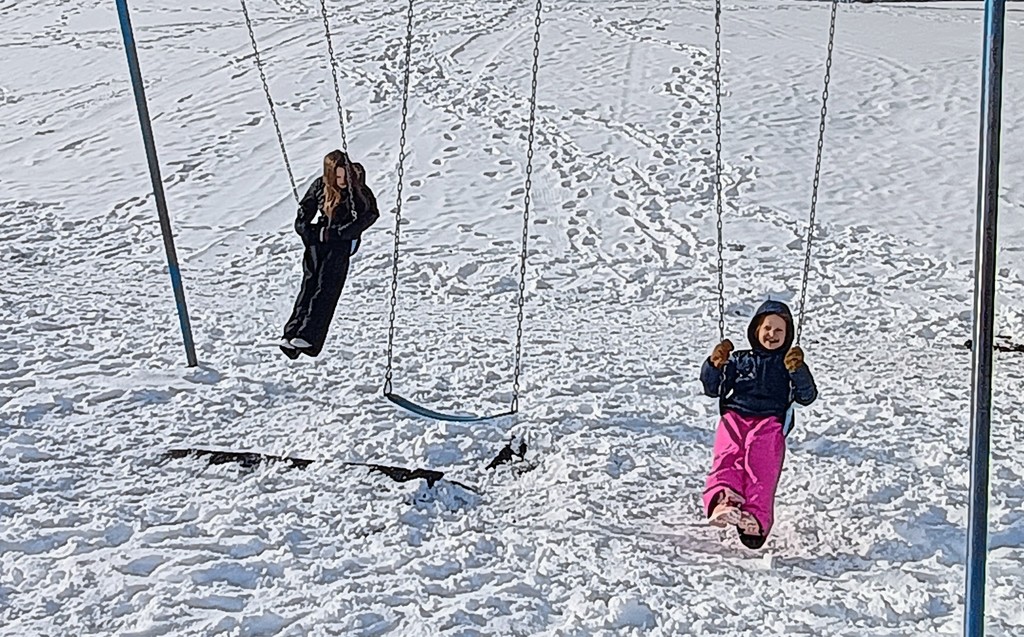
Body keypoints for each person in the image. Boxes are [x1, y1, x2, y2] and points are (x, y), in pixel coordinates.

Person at [699, 300, 818, 549]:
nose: (771, 335)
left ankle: (755, 517)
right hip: (735, 414)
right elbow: (714, 389)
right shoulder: (741, 359)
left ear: (787, 336)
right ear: (756, 330)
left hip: (770, 419)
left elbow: (806, 396)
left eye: (778, 331)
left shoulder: (787, 363)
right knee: (728, 454)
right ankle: (724, 499)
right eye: (767, 328)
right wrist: (714, 365)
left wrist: (798, 370)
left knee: (760, 462)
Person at [279, 150, 379, 359]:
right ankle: (292, 334)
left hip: (342, 243)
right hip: (320, 240)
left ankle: (310, 337)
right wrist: (305, 228)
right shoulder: (320, 186)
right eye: (338, 177)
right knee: (309, 285)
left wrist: (342, 232)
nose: (341, 181)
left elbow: (370, 215)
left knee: (326, 287)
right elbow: (306, 211)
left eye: (344, 176)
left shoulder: (358, 189)